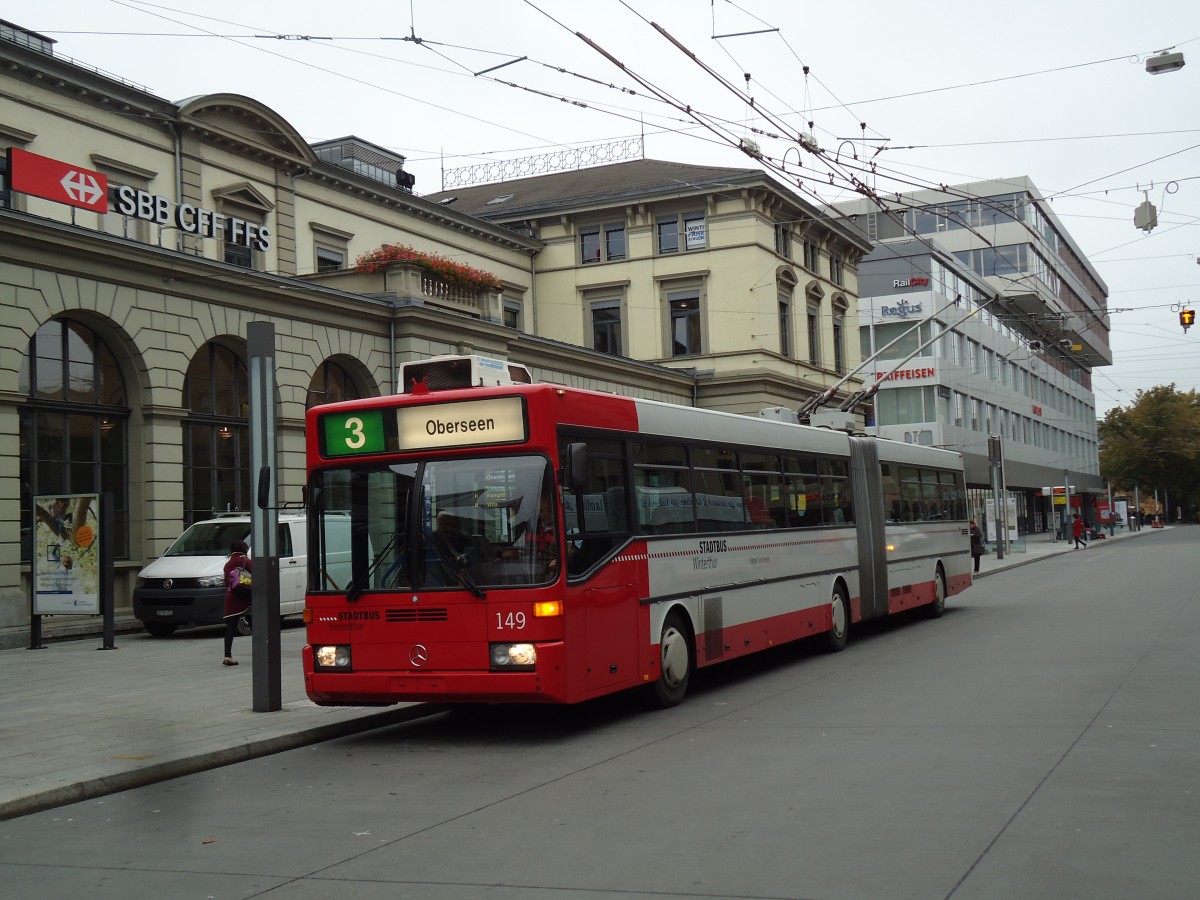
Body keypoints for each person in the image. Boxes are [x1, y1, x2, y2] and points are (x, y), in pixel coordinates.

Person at [221, 539, 252, 666]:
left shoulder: (228, 564)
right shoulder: (245, 561)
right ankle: (261, 653)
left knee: (230, 629)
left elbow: (227, 581)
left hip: (232, 599)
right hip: (246, 598)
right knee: (255, 627)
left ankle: (228, 656)